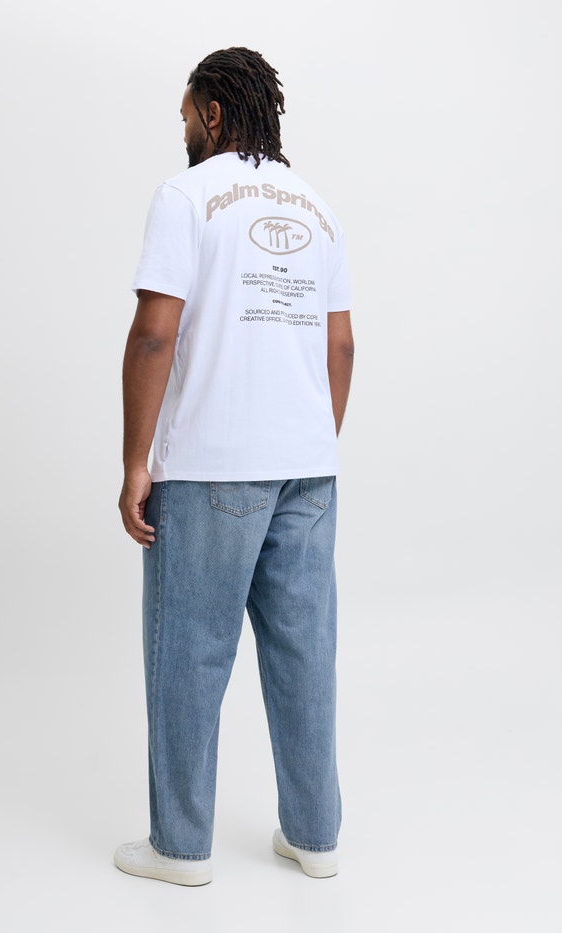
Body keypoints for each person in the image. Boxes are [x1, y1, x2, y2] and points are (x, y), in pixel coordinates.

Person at [114, 47, 354, 886]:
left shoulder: (186, 197)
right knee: (305, 652)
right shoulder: (318, 208)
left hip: (211, 466)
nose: (183, 130)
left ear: (214, 113)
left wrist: (134, 462)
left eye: (186, 115)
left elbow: (154, 334)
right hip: (307, 470)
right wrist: (310, 441)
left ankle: (180, 848)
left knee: (190, 652)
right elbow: (341, 345)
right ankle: (316, 837)